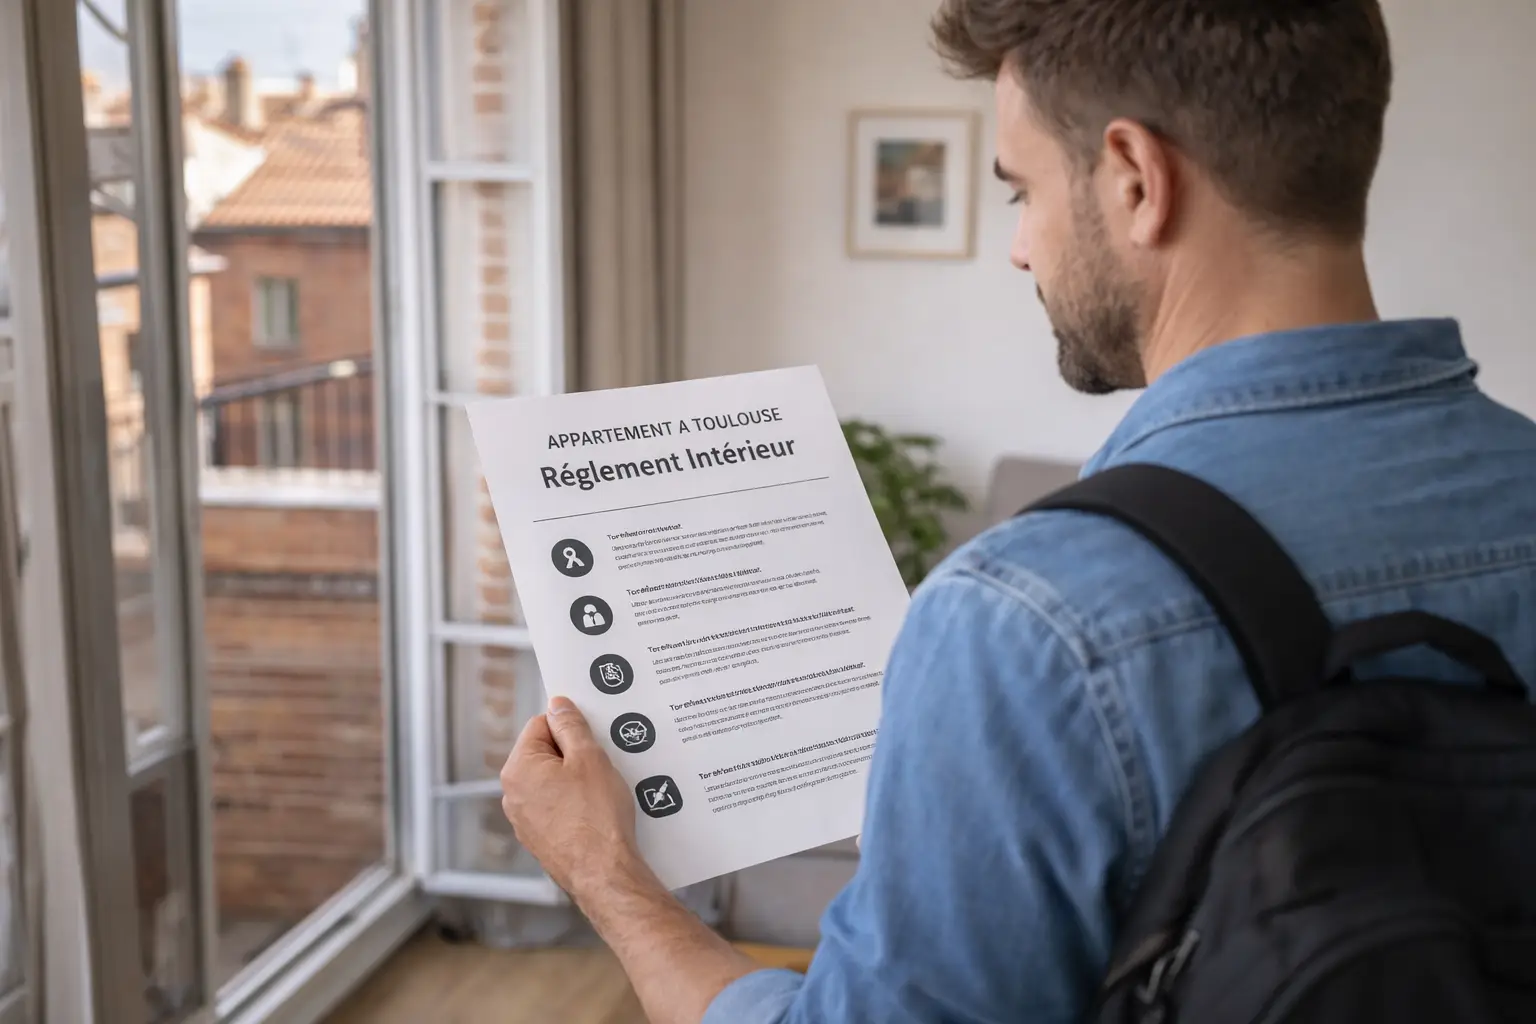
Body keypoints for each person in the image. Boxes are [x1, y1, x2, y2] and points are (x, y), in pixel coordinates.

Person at [497, 1, 1536, 1021]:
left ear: (1136, 179)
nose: (1022, 249)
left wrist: (611, 879)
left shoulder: (1029, 620)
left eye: (1020, 192)